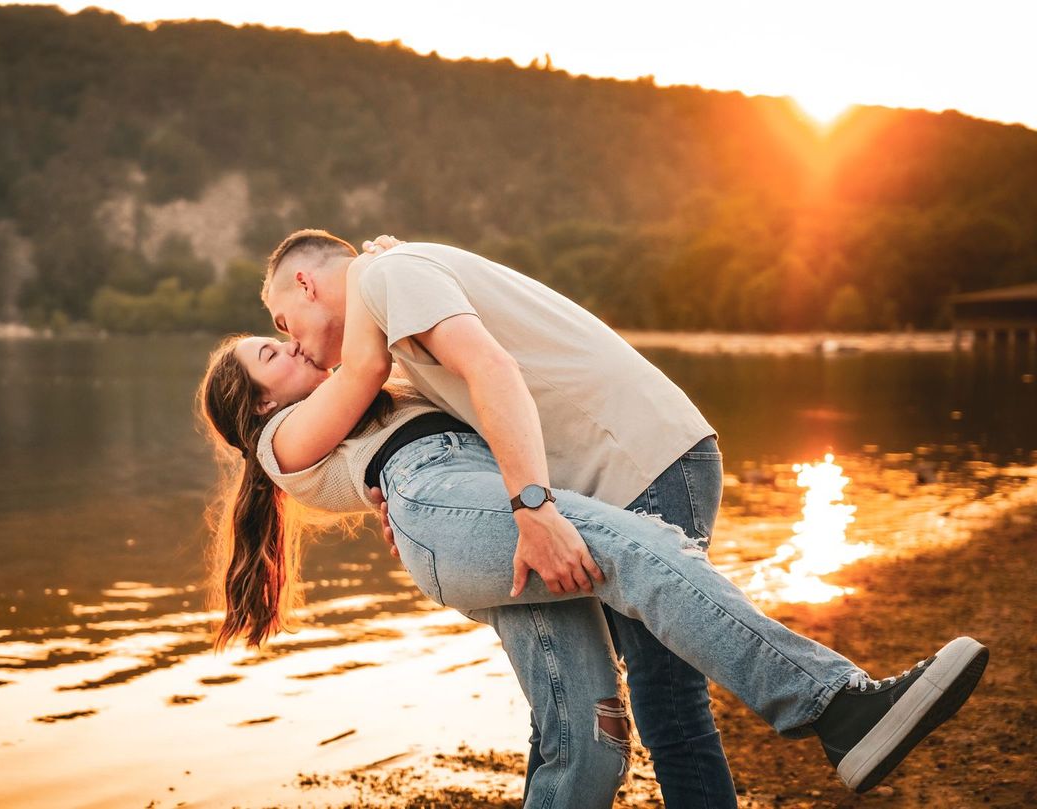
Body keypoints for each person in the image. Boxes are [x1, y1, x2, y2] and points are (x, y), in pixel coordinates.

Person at [195, 308, 989, 806]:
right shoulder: (277, 442)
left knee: (590, 743)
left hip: (477, 509)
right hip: (450, 509)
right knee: (635, 547)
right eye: (273, 353)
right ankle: (836, 706)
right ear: (258, 404)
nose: (294, 347)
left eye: (283, 336)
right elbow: (365, 360)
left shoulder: (364, 403)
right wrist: (369, 275)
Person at [260, 229, 735, 807]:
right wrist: (410, 509)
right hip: (601, 478)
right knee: (584, 711)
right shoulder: (391, 311)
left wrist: (529, 509)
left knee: (669, 705)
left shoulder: (390, 280)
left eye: (284, 324)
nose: (296, 345)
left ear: (306, 283)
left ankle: (835, 704)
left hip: (635, 461)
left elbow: (487, 369)